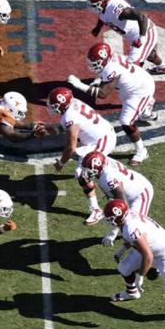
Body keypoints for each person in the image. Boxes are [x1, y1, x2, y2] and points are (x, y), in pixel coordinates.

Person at [67, 41, 157, 165]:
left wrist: (79, 85)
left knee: (126, 122)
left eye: (96, 63)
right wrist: (99, 79)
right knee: (132, 109)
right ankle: (145, 111)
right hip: (136, 83)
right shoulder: (111, 59)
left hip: (140, 91)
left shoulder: (111, 68)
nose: (93, 66)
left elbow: (103, 94)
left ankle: (142, 151)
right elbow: (107, 75)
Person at [44, 86, 117, 225]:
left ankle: (96, 209)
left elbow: (71, 147)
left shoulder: (69, 116)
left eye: (54, 106)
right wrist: (47, 128)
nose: (51, 108)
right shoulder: (73, 103)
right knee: (88, 168)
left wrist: (61, 163)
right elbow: (64, 127)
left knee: (82, 173)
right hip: (104, 134)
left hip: (101, 140)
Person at [87, 0, 165, 74]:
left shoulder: (116, 10)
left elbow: (142, 17)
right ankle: (164, 67)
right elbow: (103, 16)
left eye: (95, 5)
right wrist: (98, 27)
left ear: (103, 2)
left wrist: (141, 38)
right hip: (134, 36)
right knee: (149, 55)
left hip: (145, 33)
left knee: (132, 69)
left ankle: (139, 87)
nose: (93, 7)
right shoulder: (105, 7)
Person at [79, 150, 155, 246]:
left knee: (135, 225)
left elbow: (122, 205)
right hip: (132, 185)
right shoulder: (105, 168)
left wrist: (113, 232)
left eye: (88, 169)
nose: (85, 172)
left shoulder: (107, 178)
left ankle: (152, 245)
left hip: (140, 193)